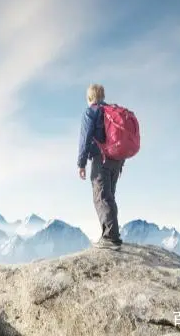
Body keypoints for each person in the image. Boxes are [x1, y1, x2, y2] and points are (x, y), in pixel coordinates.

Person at [77, 84, 125, 250]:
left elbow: (85, 139)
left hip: (101, 159)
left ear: (89, 97)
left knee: (101, 197)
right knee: (109, 196)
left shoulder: (91, 112)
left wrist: (81, 163)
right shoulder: (112, 112)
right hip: (117, 160)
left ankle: (111, 238)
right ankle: (112, 235)